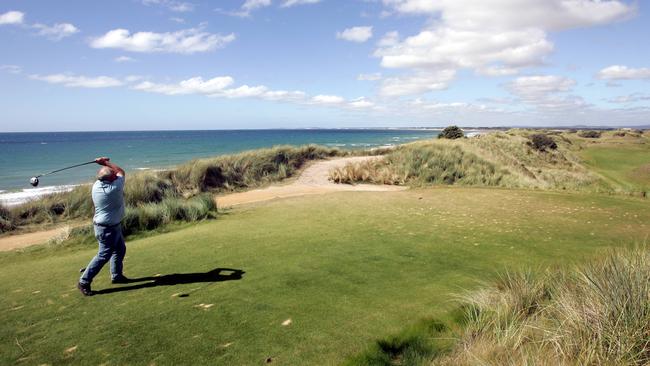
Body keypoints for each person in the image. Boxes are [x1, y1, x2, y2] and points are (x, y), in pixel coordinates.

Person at [77, 157, 129, 296]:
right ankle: (84, 281)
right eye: (112, 174)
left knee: (119, 250)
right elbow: (121, 171)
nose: (115, 174)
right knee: (103, 255)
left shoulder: (96, 185)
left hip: (110, 226)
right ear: (111, 178)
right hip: (107, 229)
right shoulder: (114, 188)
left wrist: (102, 165)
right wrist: (105, 162)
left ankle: (116, 276)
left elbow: (110, 173)